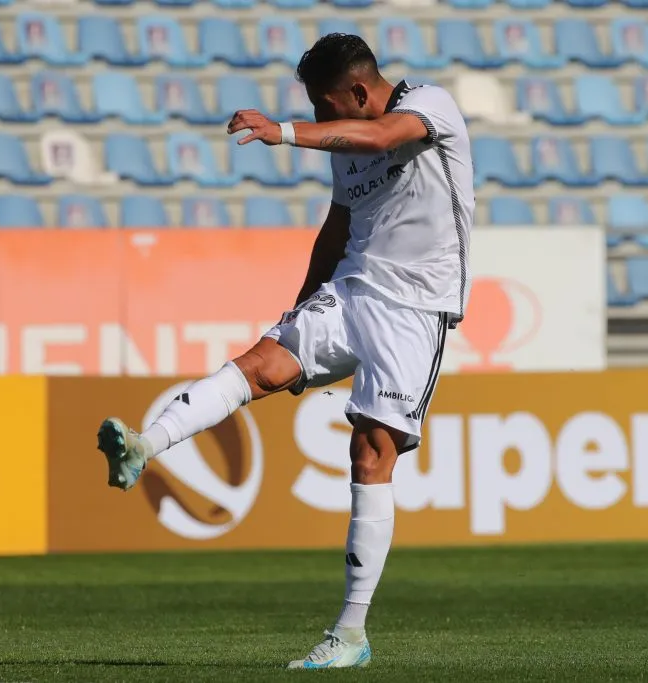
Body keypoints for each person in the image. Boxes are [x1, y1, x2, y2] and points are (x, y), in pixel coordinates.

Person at [96, 33, 474, 670]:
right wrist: (298, 308)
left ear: (359, 91)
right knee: (261, 363)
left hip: (416, 308)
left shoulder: (430, 105)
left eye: (327, 106)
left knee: (370, 448)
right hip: (354, 287)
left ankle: (351, 634)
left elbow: (382, 139)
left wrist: (285, 132)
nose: (324, 119)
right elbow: (338, 227)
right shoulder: (344, 139)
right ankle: (144, 446)